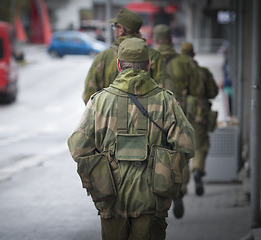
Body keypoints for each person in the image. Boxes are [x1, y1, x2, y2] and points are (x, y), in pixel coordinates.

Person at [68, 38, 195, 240]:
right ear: (149, 65)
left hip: (111, 200)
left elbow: (78, 148)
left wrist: (103, 175)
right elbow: (187, 146)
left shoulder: (99, 101)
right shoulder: (166, 101)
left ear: (119, 65)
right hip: (152, 201)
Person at [153, 24, 200, 219]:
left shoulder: (150, 60)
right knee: (180, 154)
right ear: (171, 39)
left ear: (156, 39)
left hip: (154, 117)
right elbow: (197, 90)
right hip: (181, 115)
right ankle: (179, 190)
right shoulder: (184, 62)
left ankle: (161, 193)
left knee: (158, 154)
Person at [82, 8, 167, 104]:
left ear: (121, 30)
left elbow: (89, 96)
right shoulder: (154, 56)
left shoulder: (103, 57)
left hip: (110, 117)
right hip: (148, 116)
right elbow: (164, 92)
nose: (114, 30)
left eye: (115, 27)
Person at [180, 42, 219, 197]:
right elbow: (213, 92)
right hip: (200, 113)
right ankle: (197, 170)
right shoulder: (203, 72)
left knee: (182, 149)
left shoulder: (179, 73)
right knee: (200, 146)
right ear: (194, 54)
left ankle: (182, 186)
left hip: (183, 113)